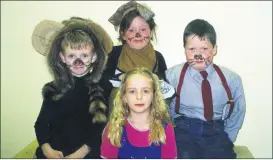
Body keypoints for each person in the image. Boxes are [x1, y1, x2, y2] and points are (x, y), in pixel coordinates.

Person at [32, 17, 113, 158]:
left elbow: (100, 129)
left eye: (84, 55)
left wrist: (77, 155)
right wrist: (47, 149)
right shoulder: (54, 88)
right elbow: (41, 123)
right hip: (53, 153)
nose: (78, 61)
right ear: (62, 58)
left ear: (93, 57)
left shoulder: (103, 87)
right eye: (71, 56)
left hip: (86, 154)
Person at [165, 19, 246, 158]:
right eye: (192, 49)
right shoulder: (172, 76)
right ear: (184, 49)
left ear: (214, 49)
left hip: (216, 132)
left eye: (204, 49)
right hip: (184, 131)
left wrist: (228, 137)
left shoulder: (231, 79)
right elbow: (163, 108)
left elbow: (238, 109)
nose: (198, 54)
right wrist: (170, 132)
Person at [103, 0, 175, 113]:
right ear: (123, 34)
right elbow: (102, 87)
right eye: (131, 30)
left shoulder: (158, 57)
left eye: (143, 29)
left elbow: (165, 94)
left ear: (150, 32)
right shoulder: (114, 54)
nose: (137, 34)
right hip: (118, 119)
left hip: (150, 118)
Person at [100, 67, 177, 159]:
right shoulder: (114, 128)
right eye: (132, 91)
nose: (139, 97)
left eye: (145, 91)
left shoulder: (166, 129)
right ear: (124, 97)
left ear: (154, 95)